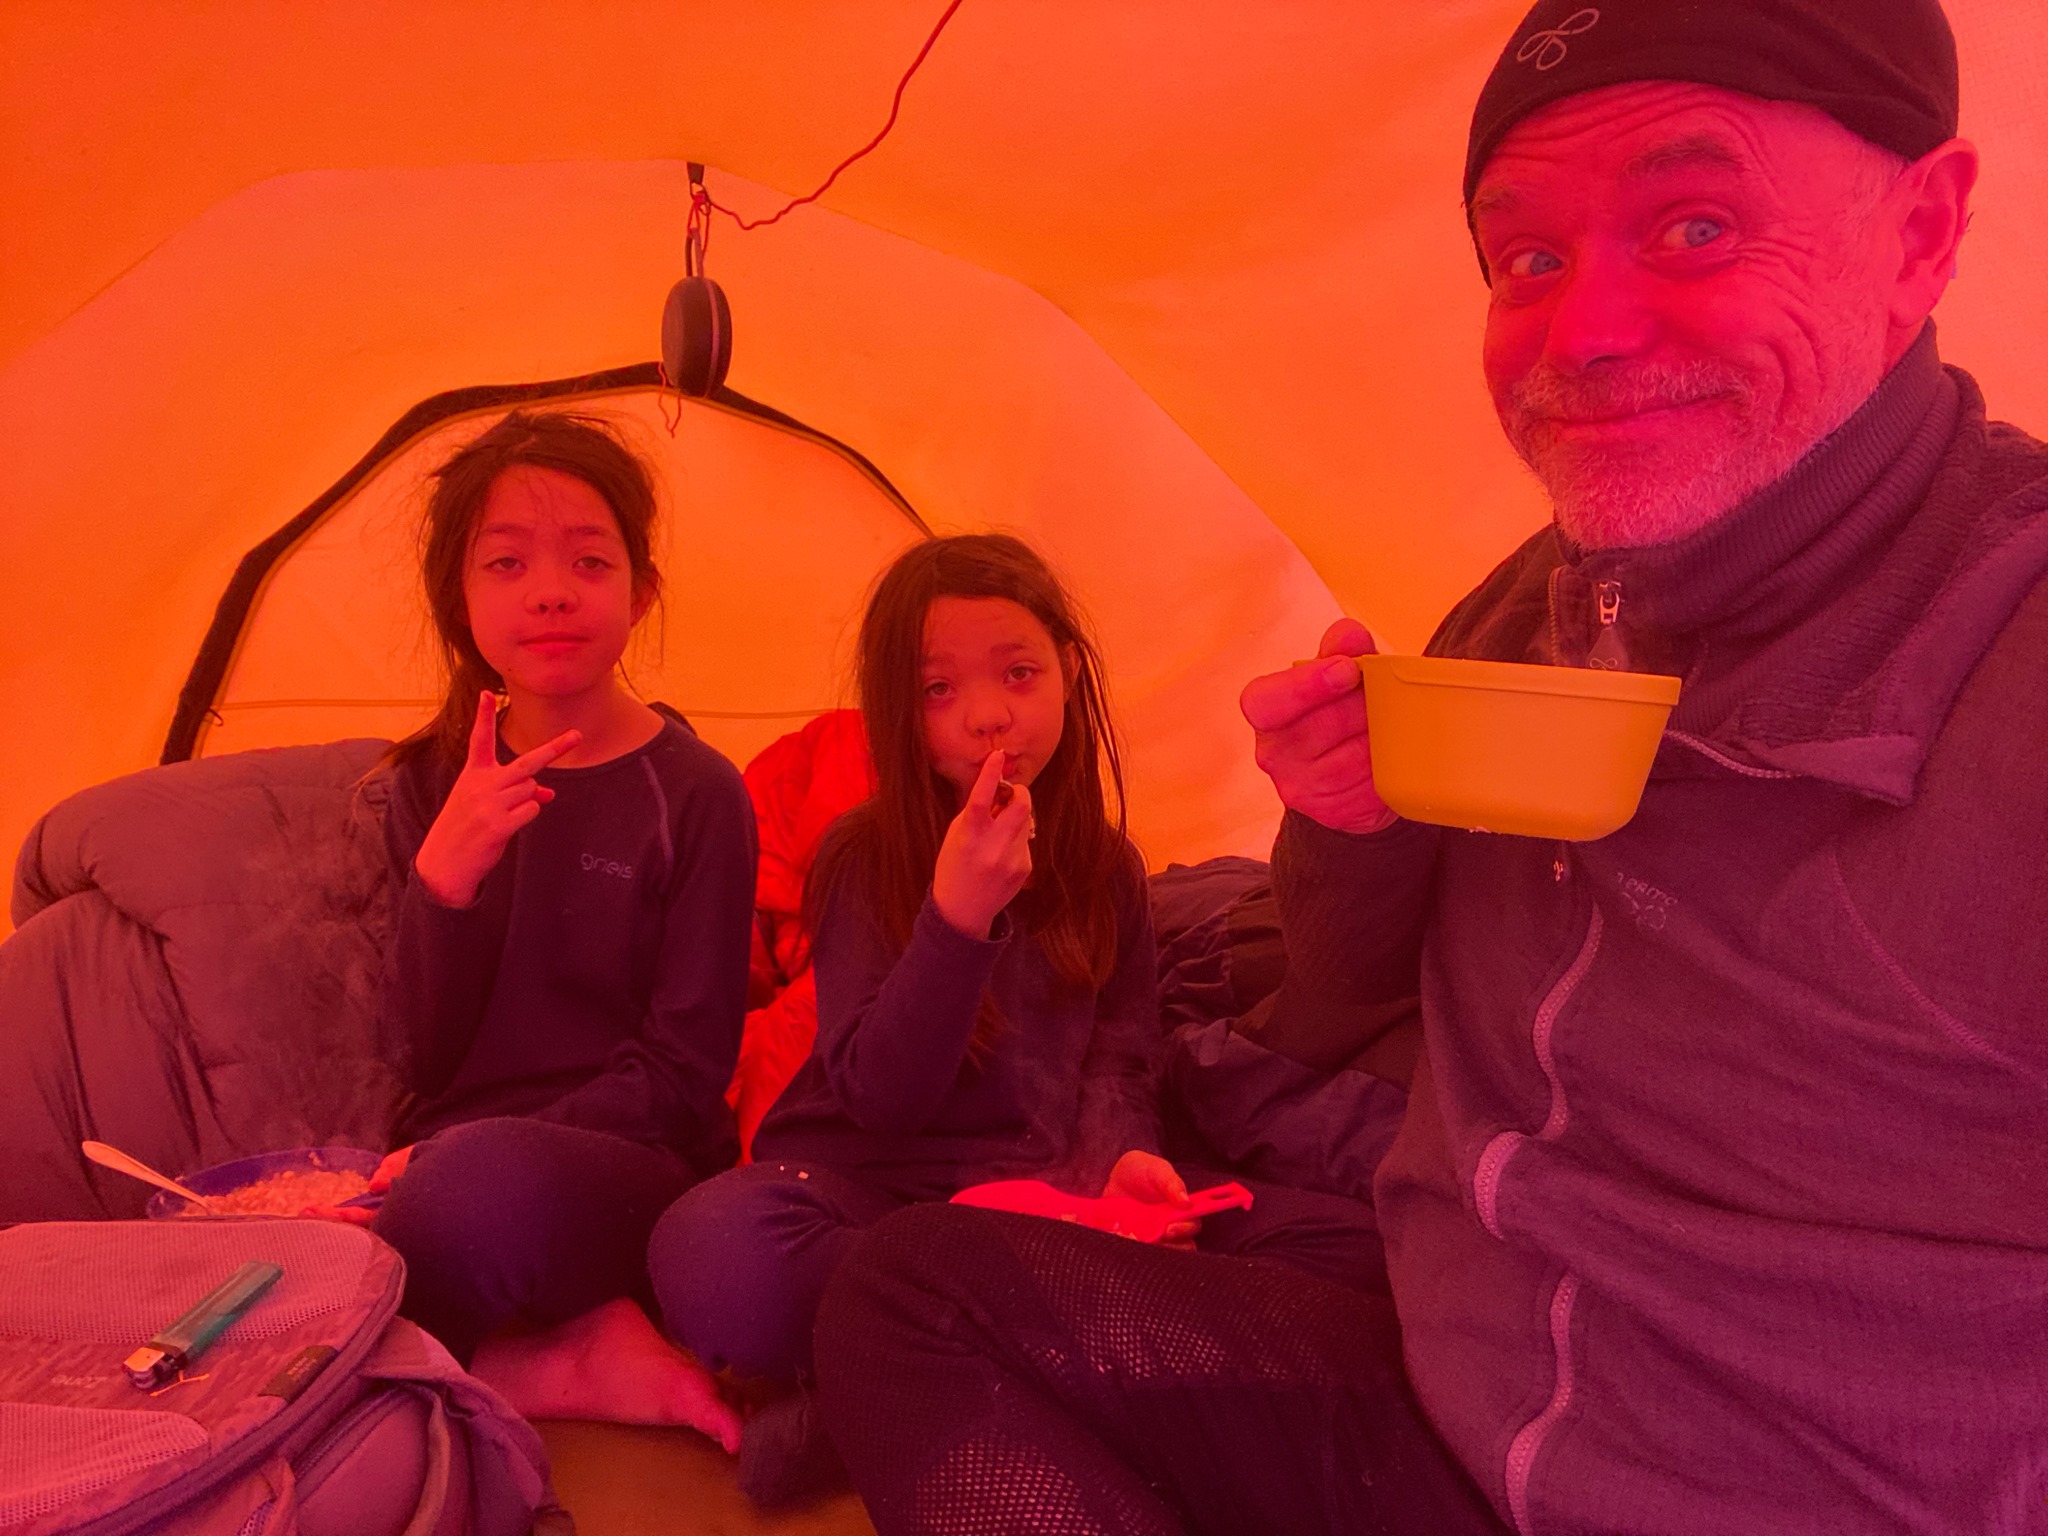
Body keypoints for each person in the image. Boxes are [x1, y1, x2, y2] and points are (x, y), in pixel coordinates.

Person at [808, 2, 2048, 1533]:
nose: (1583, 334)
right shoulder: (1526, 611)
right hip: (1446, 1405)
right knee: (908, 1297)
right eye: (1527, 259)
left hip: (1789, 1489)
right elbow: (1330, 988)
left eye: (1695, 226)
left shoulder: (2015, 652)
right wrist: (1355, 820)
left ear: (1923, 234)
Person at [648, 534, 1202, 1503]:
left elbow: (1119, 1060)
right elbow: (878, 1099)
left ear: (1069, 673)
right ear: (898, 716)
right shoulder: (862, 857)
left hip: (1026, 1205)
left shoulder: (1106, 869)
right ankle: (1001, 1367)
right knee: (715, 1251)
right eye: (938, 691)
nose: (987, 715)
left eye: (1018, 674)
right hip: (861, 1197)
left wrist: (1123, 1162)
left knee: (1265, 1265)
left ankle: (869, 1399)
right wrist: (955, 921)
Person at [340, 410, 754, 1450]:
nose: (552, 591)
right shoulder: (423, 784)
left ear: (640, 592)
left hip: (622, 1165)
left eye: (588, 560)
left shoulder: (696, 793)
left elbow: (685, 1070)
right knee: (304, 1243)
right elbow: (416, 1057)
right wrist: (441, 888)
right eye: (508, 562)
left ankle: (482, 1349)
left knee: (474, 1196)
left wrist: (466, 1153)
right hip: (444, 1160)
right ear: (460, 598)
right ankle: (555, 1356)